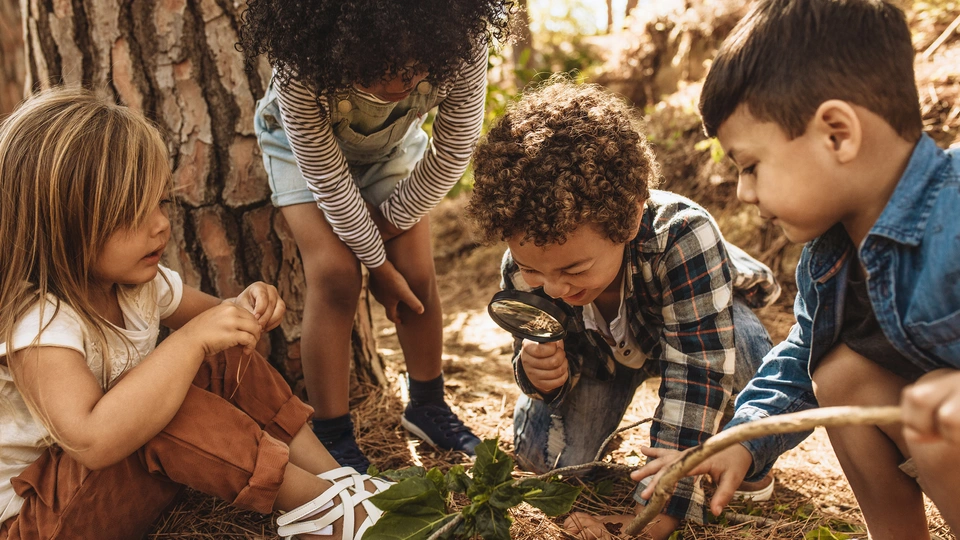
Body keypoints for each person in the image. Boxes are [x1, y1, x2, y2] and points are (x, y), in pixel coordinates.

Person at [0, 88, 391, 540]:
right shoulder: (41, 324)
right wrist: (189, 341)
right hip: (41, 520)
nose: (162, 224)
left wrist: (247, 310)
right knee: (167, 405)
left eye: (161, 202)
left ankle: (338, 482)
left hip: (106, 488)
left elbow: (235, 346)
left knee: (215, 360)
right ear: (60, 227)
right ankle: (319, 513)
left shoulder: (139, 286)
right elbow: (92, 440)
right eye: (132, 213)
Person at [633, 0, 960, 537]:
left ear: (837, 133)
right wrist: (740, 441)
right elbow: (797, 363)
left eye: (751, 166)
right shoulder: (828, 261)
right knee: (838, 374)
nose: (743, 192)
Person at [465, 79, 782, 540]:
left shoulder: (683, 236)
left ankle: (747, 458)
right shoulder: (525, 264)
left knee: (747, 347)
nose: (553, 286)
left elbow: (697, 371)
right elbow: (531, 346)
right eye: (536, 269)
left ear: (630, 217)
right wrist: (539, 374)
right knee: (546, 464)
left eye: (574, 267)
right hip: (601, 360)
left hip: (690, 331)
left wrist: (656, 513)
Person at [237, 0, 513, 472]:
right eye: (372, 73)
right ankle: (333, 433)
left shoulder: (461, 42)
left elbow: (452, 151)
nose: (395, 87)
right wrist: (376, 266)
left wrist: (388, 226)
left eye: (410, 71)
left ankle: (428, 406)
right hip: (300, 152)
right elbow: (327, 179)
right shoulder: (300, 68)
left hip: (393, 149)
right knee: (336, 274)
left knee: (418, 272)